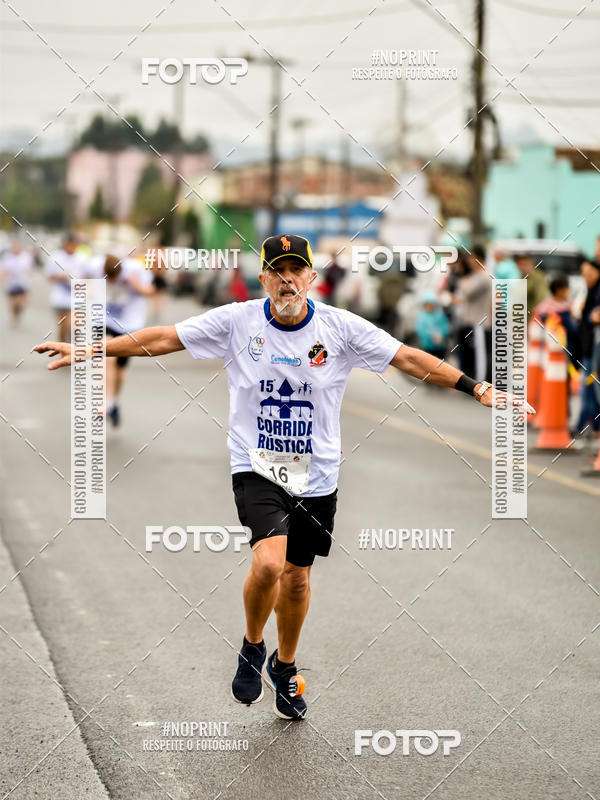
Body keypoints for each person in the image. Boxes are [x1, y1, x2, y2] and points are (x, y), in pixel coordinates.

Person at [35, 233, 520, 721]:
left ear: (311, 276)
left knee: (296, 578)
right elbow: (165, 338)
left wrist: (474, 386)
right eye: (277, 270)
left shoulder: (341, 328)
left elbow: (407, 359)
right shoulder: (236, 321)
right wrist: (93, 349)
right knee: (269, 563)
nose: (287, 279)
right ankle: (251, 645)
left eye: (296, 270)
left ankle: (283, 666)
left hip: (317, 474)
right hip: (257, 465)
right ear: (263, 277)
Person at [88, 253, 155, 426]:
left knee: (120, 370)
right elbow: (83, 278)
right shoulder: (95, 264)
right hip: (105, 319)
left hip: (129, 324)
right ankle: (105, 401)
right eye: (107, 278)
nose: (110, 282)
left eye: (113, 278)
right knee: (107, 358)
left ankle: (114, 401)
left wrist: (137, 286)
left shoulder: (135, 269)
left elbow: (151, 290)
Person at [453, 246, 491, 382]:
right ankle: (474, 381)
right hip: (470, 321)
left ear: (478, 259)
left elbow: (467, 291)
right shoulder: (475, 275)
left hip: (479, 322)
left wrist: (463, 283)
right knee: (471, 354)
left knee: (480, 356)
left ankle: (482, 383)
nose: (468, 261)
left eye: (471, 258)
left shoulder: (484, 277)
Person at [44, 233, 89, 342]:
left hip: (77, 298)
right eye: (71, 244)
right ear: (65, 244)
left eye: (75, 245)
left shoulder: (82, 258)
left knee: (73, 325)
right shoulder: (56, 257)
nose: (73, 247)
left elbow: (88, 276)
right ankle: (63, 351)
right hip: (60, 298)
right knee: (62, 328)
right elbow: (48, 276)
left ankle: (73, 349)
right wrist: (61, 277)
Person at [574, 259, 600, 438]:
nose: (586, 276)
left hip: (594, 349)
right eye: (583, 273)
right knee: (589, 392)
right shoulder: (590, 290)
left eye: (589, 272)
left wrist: (591, 317)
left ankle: (582, 427)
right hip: (588, 348)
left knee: (590, 392)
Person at [1, 241, 33, 326]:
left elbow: (30, 268)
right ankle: (15, 316)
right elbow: (4, 270)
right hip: (11, 284)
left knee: (21, 302)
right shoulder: (7, 257)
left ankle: (19, 310)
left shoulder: (26, 257)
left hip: (23, 283)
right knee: (13, 302)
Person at [415, 290, 449, 361]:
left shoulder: (440, 315)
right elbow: (420, 330)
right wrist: (430, 337)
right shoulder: (422, 317)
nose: (429, 307)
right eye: (427, 305)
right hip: (427, 347)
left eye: (430, 304)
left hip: (441, 347)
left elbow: (445, 327)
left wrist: (441, 335)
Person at [515, 253, 549, 318]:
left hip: (533, 319)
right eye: (519, 264)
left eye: (524, 264)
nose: (522, 267)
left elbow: (541, 301)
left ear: (531, 263)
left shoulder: (537, 278)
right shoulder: (521, 277)